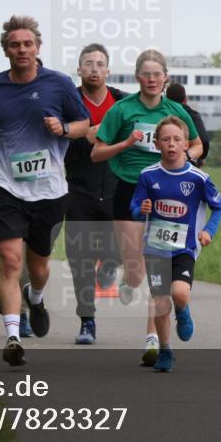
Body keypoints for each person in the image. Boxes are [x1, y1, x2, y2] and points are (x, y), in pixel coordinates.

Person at [0, 14, 90, 366]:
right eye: (15, 45)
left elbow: (84, 126)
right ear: (5, 50)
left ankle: (35, 298)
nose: (22, 50)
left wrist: (63, 127)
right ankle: (13, 337)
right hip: (5, 183)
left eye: (27, 44)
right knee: (9, 261)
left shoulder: (59, 83)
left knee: (38, 268)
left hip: (49, 188)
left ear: (37, 48)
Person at [91, 49, 203, 366]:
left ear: (166, 78)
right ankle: (128, 279)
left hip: (168, 192)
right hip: (130, 189)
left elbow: (197, 144)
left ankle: (154, 338)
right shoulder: (122, 110)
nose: (152, 80)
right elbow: (97, 153)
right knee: (137, 270)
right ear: (138, 77)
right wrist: (126, 144)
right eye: (146, 74)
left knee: (160, 267)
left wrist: (185, 159)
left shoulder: (175, 111)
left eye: (158, 74)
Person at [132, 117, 221, 372]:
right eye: (165, 139)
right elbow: (135, 207)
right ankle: (165, 350)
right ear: (156, 144)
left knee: (179, 293)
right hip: (155, 247)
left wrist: (208, 231)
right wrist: (142, 209)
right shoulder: (148, 176)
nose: (171, 144)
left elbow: (219, 205)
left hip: (185, 247)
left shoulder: (198, 178)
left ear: (186, 144)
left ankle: (182, 311)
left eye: (176, 139)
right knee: (161, 300)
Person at [63, 43, 127, 345]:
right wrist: (83, 138)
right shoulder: (69, 102)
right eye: (88, 63)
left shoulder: (123, 103)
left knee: (116, 252)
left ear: (108, 70)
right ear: (79, 69)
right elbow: (55, 140)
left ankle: (111, 264)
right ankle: (87, 321)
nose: (94, 69)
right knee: (80, 258)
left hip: (116, 188)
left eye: (100, 64)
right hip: (78, 189)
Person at [165, 83, 210, 167]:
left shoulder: (162, 113)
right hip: (187, 164)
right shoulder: (192, 115)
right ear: (185, 100)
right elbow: (204, 142)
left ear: (166, 98)